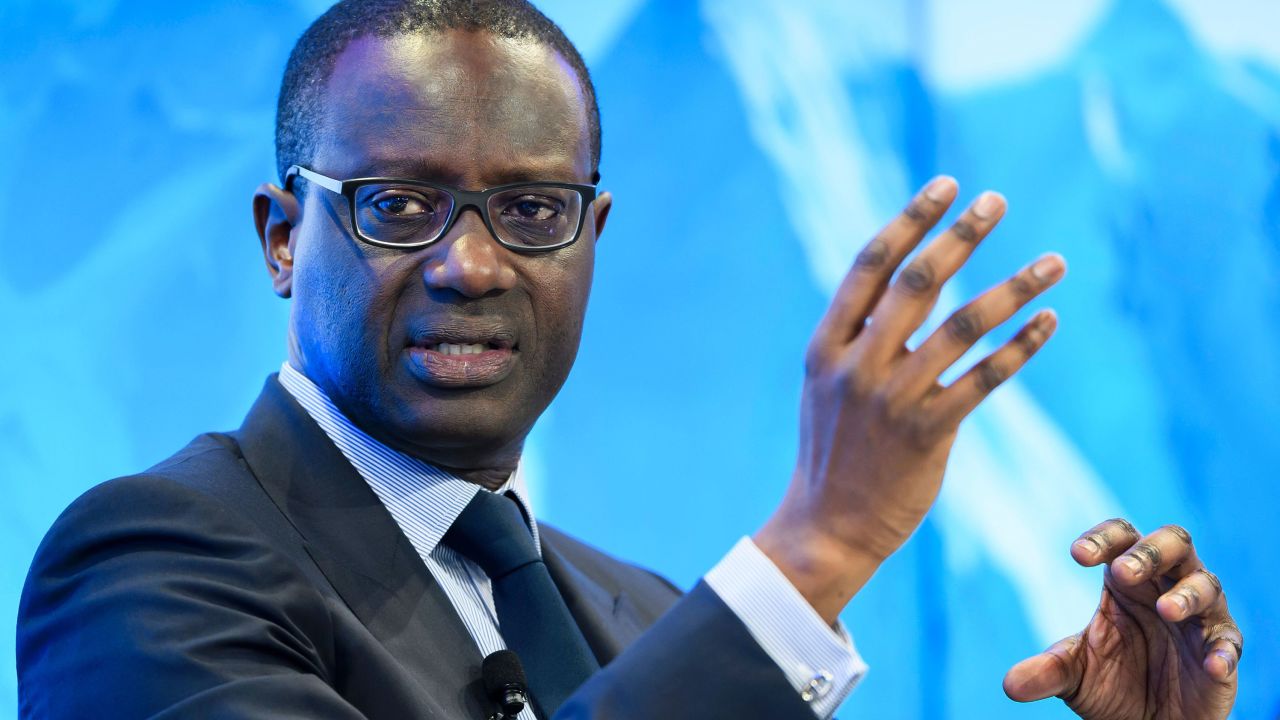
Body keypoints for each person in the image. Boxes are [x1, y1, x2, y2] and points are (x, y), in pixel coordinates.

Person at [17, 1, 1242, 718]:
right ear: (285, 238)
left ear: (591, 239)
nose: (472, 266)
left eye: (534, 211)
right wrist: (817, 548)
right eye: (399, 206)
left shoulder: (642, 614)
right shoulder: (148, 563)